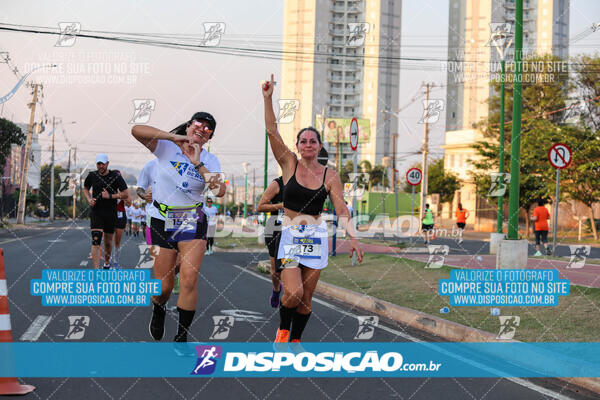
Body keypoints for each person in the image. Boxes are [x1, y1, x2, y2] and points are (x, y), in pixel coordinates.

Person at [262, 75, 363, 347]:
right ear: (297, 146)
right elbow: (272, 131)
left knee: (306, 299)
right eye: (303, 141)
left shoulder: (330, 175)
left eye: (312, 141)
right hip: (290, 235)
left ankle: (295, 340)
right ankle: (283, 332)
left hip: (315, 236)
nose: (307, 144)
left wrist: (353, 237)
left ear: (319, 146)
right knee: (292, 293)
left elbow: (341, 207)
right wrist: (268, 98)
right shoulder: (289, 165)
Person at [132, 111, 226, 343]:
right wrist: (174, 138)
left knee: (188, 279)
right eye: (198, 124)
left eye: (207, 128)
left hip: (192, 220)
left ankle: (182, 337)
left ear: (209, 137)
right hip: (162, 220)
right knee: (163, 287)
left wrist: (198, 163)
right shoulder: (166, 147)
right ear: (188, 126)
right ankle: (158, 307)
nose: (202, 129)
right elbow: (136, 130)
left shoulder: (210, 160)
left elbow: (219, 191)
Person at [83, 153, 128, 269]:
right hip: (96, 212)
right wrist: (89, 199)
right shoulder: (92, 175)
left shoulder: (115, 176)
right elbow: (86, 188)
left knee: (108, 242)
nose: (100, 166)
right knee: (96, 239)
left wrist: (110, 196)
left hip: (110, 213)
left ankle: (107, 263)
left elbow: (125, 194)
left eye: (102, 164)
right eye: (98, 164)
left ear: (107, 164)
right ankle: (96, 271)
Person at [256, 176, 285, 308]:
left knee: (291, 267)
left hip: (294, 230)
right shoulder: (277, 183)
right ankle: (276, 289)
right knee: (276, 270)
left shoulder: (303, 182)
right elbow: (260, 206)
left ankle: (289, 298)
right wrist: (280, 206)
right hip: (275, 229)